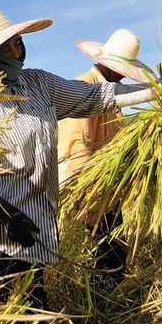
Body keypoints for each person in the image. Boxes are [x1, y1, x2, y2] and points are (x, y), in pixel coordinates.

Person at [0, 0, 152, 311]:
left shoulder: (38, 83)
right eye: (5, 48)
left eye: (18, 43)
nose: (15, 54)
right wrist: (8, 215)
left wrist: (157, 90)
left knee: (35, 311)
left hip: (36, 223)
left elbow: (96, 95)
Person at [58, 28, 153, 294]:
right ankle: (100, 301)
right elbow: (79, 146)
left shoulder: (113, 95)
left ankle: (114, 297)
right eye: (119, 68)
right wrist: (84, 194)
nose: (122, 73)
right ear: (105, 63)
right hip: (87, 186)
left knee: (114, 246)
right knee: (98, 248)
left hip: (107, 188)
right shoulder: (84, 88)